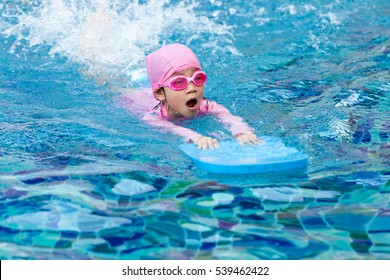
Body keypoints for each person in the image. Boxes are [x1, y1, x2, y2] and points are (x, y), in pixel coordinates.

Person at [140, 43, 262, 150]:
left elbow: (227, 117)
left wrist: (241, 131)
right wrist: (195, 137)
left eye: (198, 78)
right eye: (179, 82)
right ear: (160, 93)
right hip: (139, 98)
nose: (192, 88)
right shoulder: (153, 118)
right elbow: (172, 129)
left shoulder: (206, 105)